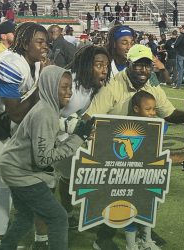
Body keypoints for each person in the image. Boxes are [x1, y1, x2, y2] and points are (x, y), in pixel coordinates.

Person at [86, 45, 184, 250]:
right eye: (139, 66)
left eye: (147, 66)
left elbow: (169, 114)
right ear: (129, 64)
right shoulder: (112, 87)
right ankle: (103, 238)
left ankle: (144, 232)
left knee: (146, 192)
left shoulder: (152, 87)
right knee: (118, 195)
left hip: (142, 148)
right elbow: (89, 117)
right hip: (114, 149)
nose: (144, 71)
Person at [0, 65, 95, 250]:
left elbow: (45, 148)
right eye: (64, 87)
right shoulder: (45, 113)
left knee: (25, 218)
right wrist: (77, 139)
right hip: (21, 173)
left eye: (70, 87)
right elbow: (44, 159)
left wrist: (76, 137)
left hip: (14, 167)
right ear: (50, 86)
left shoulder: (48, 108)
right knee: (58, 218)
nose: (69, 92)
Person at [0, 21, 49, 250]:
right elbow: (15, 113)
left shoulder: (30, 64)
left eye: (46, 42)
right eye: (40, 41)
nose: (45, 46)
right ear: (24, 42)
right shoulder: (11, 64)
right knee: (4, 185)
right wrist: (43, 86)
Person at [54, 45, 111, 230]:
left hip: (66, 137)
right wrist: (68, 125)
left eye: (106, 65)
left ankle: (68, 212)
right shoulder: (68, 81)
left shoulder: (91, 85)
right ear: (86, 65)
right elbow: (43, 114)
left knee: (71, 174)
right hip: (46, 137)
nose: (104, 69)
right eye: (99, 65)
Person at [123, 90, 160, 250]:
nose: (152, 113)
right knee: (130, 210)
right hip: (130, 177)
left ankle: (147, 240)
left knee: (149, 206)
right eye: (148, 109)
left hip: (148, 176)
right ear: (136, 109)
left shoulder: (156, 124)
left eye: (154, 109)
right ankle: (131, 245)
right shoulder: (127, 127)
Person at [173, 24, 184, 89]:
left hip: (180, 54)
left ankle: (178, 85)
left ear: (183, 29)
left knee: (180, 70)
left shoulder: (181, 36)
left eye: (180, 29)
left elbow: (176, 44)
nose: (179, 30)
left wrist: (175, 47)